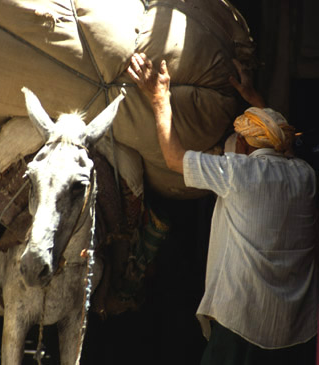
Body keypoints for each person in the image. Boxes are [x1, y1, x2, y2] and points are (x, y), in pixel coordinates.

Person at [127, 53, 318, 364]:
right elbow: (277, 136)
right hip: (295, 329)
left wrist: (159, 97)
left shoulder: (238, 173)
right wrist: (253, 98)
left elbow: (174, 158)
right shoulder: (305, 174)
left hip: (242, 325)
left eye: (233, 140)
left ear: (242, 147)